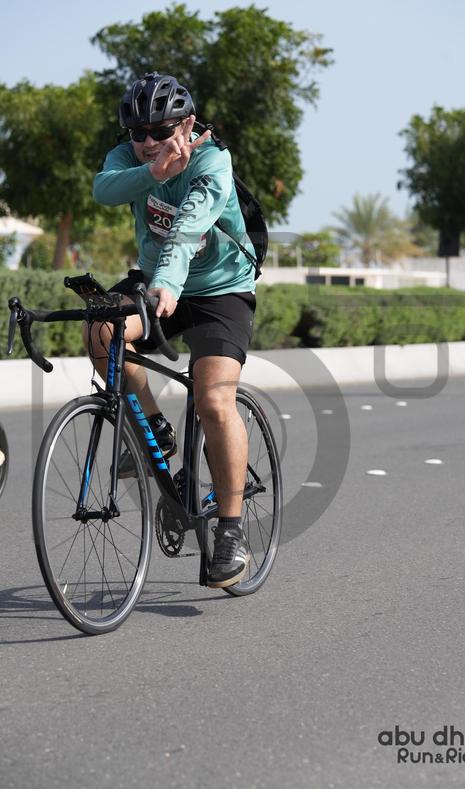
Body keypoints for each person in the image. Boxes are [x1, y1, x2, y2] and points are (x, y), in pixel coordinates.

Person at [88, 72, 258, 588]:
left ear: (186, 125)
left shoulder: (213, 160)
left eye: (160, 131)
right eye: (137, 132)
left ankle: (231, 531)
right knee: (101, 332)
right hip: (155, 280)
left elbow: (188, 229)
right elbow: (102, 189)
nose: (147, 141)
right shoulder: (131, 157)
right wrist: (154, 171)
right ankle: (155, 431)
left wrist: (166, 281)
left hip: (220, 290)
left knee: (214, 400)